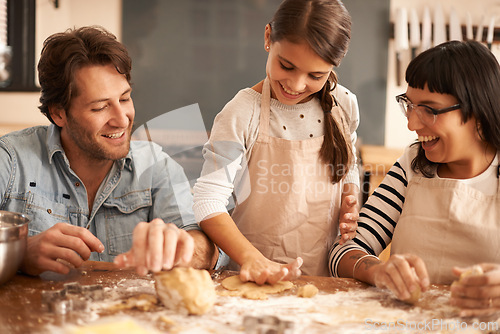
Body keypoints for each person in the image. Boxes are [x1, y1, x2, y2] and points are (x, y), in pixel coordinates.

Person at [0, 26, 219, 277]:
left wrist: (183, 250)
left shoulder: (155, 165)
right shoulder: (10, 159)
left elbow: (207, 248)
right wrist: (20, 253)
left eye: (124, 99)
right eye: (100, 107)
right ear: (58, 113)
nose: (121, 120)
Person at [193, 0, 360, 284]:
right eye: (287, 65)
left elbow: (349, 163)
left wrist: (350, 198)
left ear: (334, 65)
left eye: (315, 75)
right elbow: (207, 202)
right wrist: (252, 259)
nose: (296, 85)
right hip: (251, 278)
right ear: (268, 37)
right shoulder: (242, 112)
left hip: (324, 279)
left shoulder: (344, 104)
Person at [330, 40, 500, 317]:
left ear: (478, 113)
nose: (412, 124)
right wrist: (377, 270)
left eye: (429, 110)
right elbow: (344, 250)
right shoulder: (412, 165)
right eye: (409, 105)